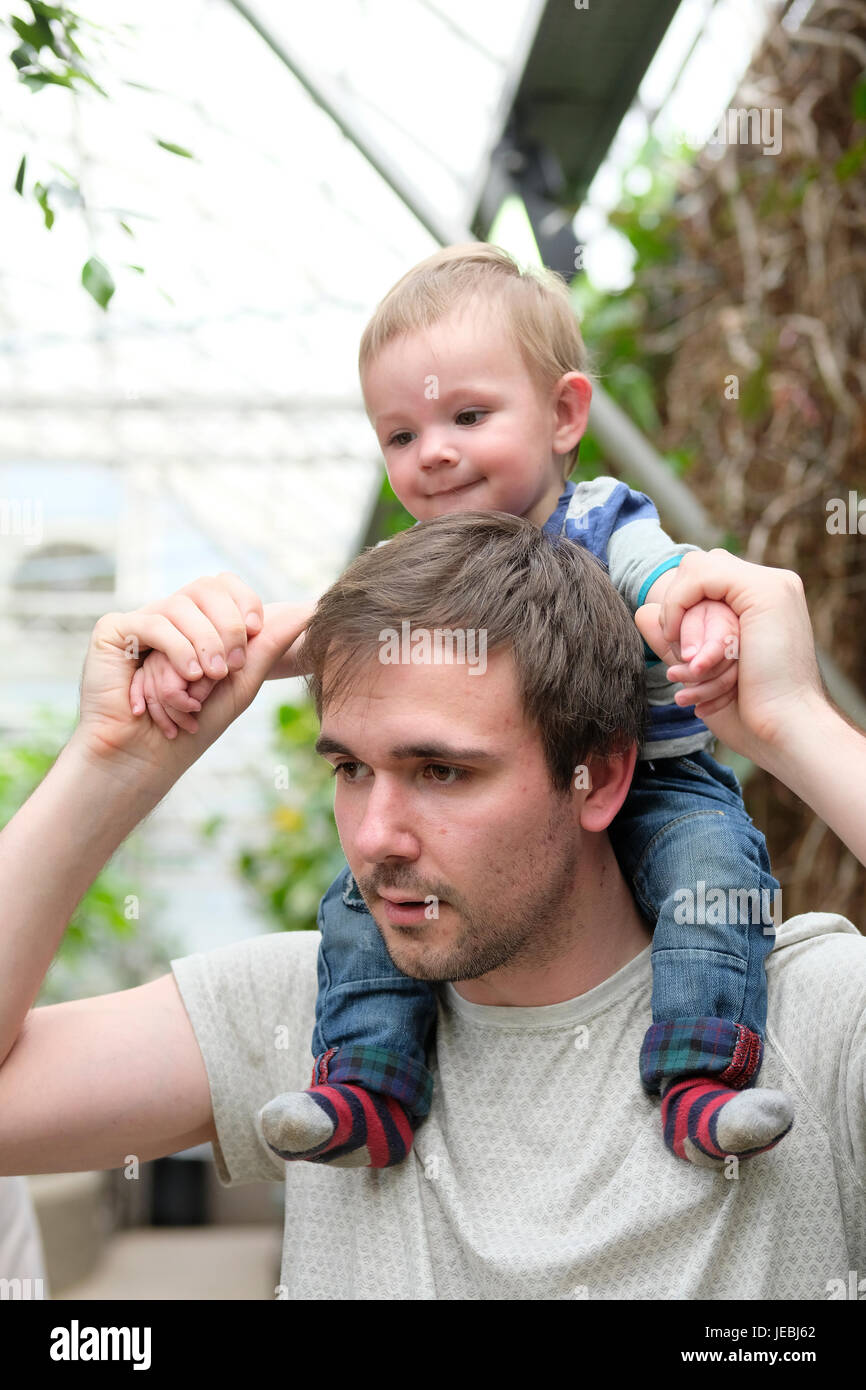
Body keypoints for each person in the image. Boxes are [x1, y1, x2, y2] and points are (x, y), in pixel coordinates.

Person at [0, 524, 863, 1301]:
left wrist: (797, 724)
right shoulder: (309, 1014)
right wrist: (113, 763)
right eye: (349, 770)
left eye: (441, 772)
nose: (375, 838)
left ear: (596, 777)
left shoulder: (812, 1022)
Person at [132, 244, 788, 1170]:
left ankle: (702, 1077)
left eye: (468, 416)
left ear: (563, 414)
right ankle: (367, 1085)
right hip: (533, 813)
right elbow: (312, 625)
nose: (432, 452)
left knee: (712, 875)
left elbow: (664, 576)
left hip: (665, 778)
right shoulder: (418, 568)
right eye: (400, 436)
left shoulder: (602, 522)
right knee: (356, 911)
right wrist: (206, 654)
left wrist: (702, 615)